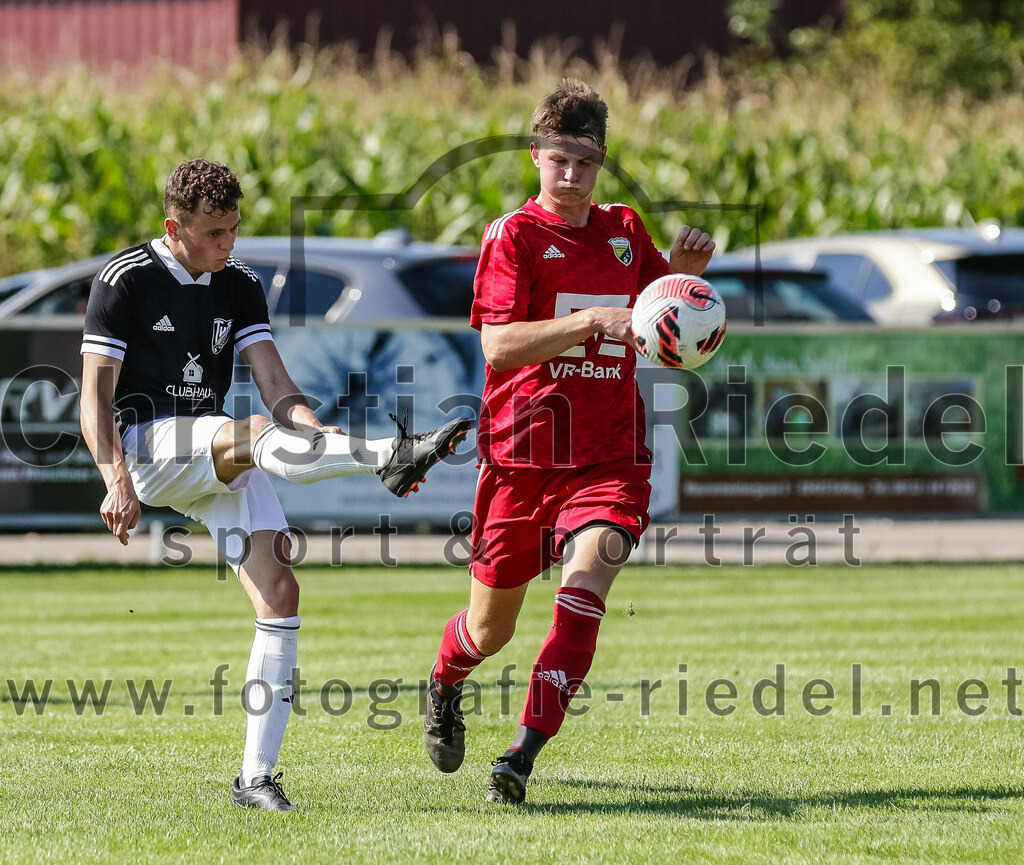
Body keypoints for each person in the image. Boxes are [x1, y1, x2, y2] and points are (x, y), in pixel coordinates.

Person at [79, 158, 471, 812]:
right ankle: (390, 454)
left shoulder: (239, 283)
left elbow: (276, 382)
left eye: (234, 229)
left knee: (280, 592)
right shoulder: (125, 279)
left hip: (213, 453)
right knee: (250, 432)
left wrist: (312, 433)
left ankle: (255, 779)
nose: (227, 243)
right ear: (174, 227)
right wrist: (115, 476)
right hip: (148, 446)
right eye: (214, 233)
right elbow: (94, 396)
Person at [422, 80, 715, 803]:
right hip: (523, 457)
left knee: (584, 587)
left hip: (610, 454)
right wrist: (591, 321)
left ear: (601, 162)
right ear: (536, 155)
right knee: (488, 631)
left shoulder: (624, 231)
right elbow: (498, 346)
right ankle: (444, 680)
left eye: (585, 162)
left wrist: (683, 278)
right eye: (560, 160)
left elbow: (657, 322)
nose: (572, 175)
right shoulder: (514, 236)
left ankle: (520, 755)